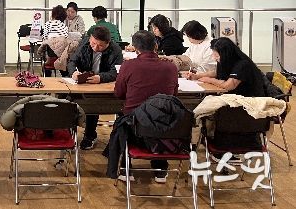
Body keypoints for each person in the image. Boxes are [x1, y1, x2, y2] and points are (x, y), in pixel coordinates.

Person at [113, 30, 179, 183]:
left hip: (135, 123)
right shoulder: (170, 67)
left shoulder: (128, 65)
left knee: (123, 118)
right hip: (164, 124)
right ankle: (160, 169)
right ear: (156, 46)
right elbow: (174, 95)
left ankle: (125, 168)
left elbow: (119, 93)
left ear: (135, 48)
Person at [67, 26, 123, 150]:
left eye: (100, 46)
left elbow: (116, 71)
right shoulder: (84, 44)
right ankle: (67, 133)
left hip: (104, 85)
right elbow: (72, 61)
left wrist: (101, 77)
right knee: (68, 100)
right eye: (93, 43)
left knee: (93, 103)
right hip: (84, 82)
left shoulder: (116, 50)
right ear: (90, 39)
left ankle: (90, 135)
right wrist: (74, 72)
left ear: (108, 43)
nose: (96, 48)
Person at [187, 37, 265, 97]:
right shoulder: (225, 61)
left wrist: (209, 80)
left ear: (226, 54)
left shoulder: (243, 64)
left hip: (248, 100)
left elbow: (229, 86)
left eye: (216, 56)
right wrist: (197, 76)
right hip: (233, 96)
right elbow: (216, 73)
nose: (214, 58)